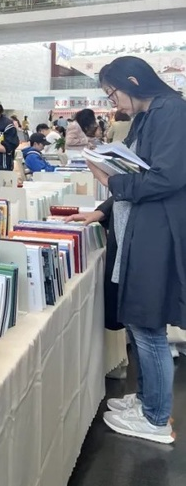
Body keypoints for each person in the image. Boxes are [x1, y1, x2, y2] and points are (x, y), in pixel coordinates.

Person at [76, 55, 186, 444]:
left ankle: (156, 418)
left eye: (113, 93)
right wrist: (103, 210)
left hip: (156, 232)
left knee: (147, 322)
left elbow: (166, 178)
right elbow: (134, 169)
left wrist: (109, 181)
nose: (113, 103)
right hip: (136, 228)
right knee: (139, 322)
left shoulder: (173, 112)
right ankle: (145, 400)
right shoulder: (145, 117)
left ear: (133, 82)